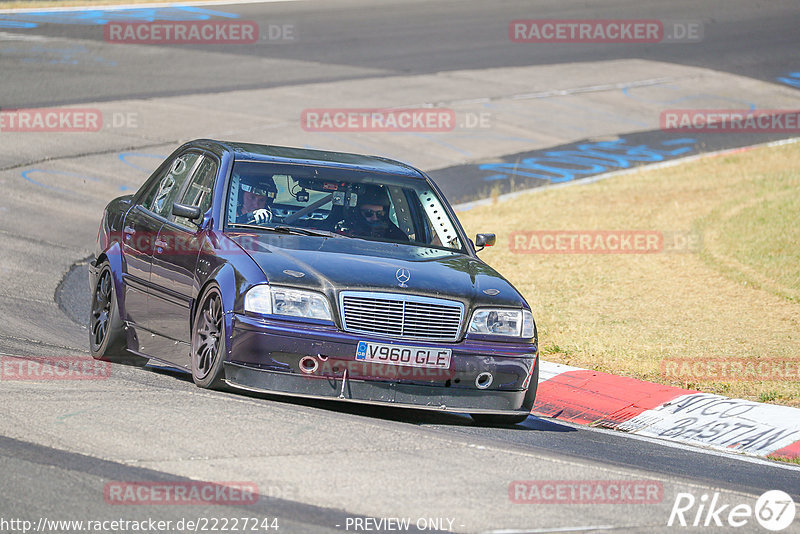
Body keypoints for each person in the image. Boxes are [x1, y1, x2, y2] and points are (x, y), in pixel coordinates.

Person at [341, 185, 407, 241]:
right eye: (369, 213)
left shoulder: (396, 237)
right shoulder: (344, 232)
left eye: (380, 214)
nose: (374, 218)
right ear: (358, 213)